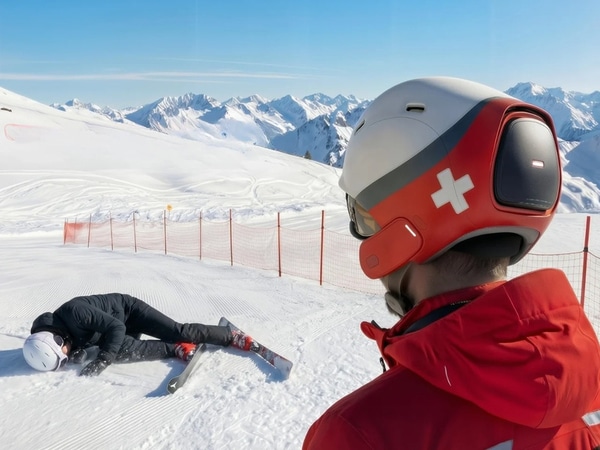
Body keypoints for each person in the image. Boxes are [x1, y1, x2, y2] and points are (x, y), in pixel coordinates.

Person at [303, 77, 600, 449]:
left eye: (364, 217)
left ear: (407, 216)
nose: (364, 233)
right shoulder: (589, 390)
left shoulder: (358, 433)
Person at [23, 292, 253, 376]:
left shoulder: (75, 312)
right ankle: (177, 349)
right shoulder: (48, 332)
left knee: (178, 331)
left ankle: (230, 335)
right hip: (113, 327)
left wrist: (103, 360)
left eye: (63, 354)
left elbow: (116, 328)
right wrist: (79, 352)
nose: (66, 356)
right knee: (121, 351)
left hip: (130, 313)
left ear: (57, 339)